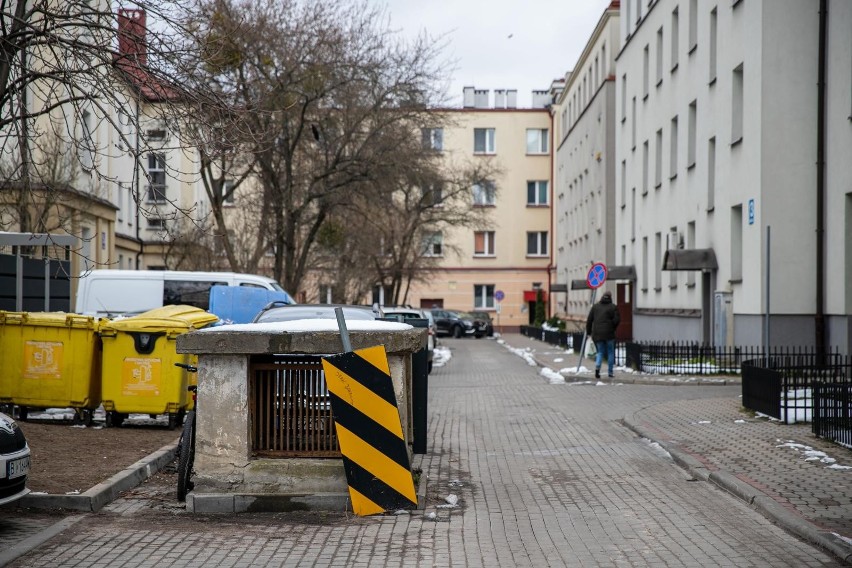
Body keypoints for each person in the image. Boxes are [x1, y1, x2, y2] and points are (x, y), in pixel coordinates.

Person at [586, 290, 620, 379]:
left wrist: (589, 332)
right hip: (609, 334)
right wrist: (612, 326)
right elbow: (617, 320)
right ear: (610, 297)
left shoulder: (595, 307)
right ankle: (610, 372)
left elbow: (589, 320)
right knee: (610, 352)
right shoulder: (613, 307)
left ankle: (597, 369)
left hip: (597, 334)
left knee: (600, 352)